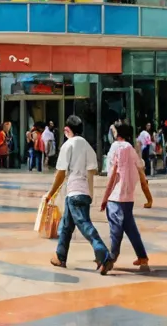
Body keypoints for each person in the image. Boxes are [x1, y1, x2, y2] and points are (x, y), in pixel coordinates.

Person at [47, 115, 113, 274]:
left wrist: (50, 193)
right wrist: (90, 193)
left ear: (67, 130)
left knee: (84, 225)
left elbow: (60, 174)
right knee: (66, 226)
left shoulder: (67, 145)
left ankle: (104, 254)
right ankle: (60, 256)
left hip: (73, 193)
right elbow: (92, 170)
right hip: (83, 192)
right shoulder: (87, 146)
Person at [99, 121, 152, 269]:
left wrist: (105, 198)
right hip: (128, 197)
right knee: (130, 228)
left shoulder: (116, 148)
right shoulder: (131, 149)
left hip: (116, 196)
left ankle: (111, 258)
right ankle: (142, 256)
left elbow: (113, 175)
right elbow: (140, 168)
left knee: (115, 230)